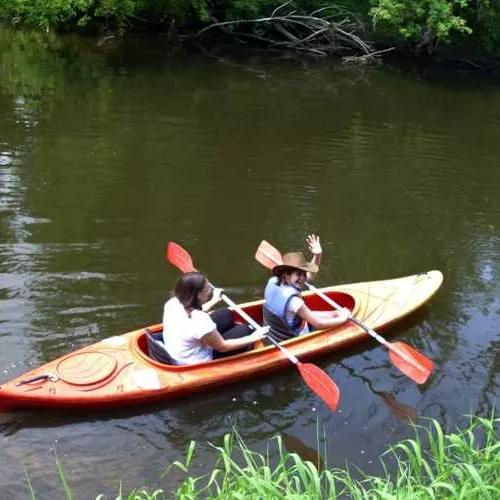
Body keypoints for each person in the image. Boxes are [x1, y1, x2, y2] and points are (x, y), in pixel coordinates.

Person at [161, 271, 266, 365]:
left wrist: (214, 300)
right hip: (194, 360)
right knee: (245, 329)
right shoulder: (200, 320)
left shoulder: (172, 302)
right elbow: (223, 347)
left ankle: (218, 336)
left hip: (180, 349)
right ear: (197, 294)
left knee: (225, 313)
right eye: (207, 289)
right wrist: (254, 337)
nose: (210, 291)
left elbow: (195, 311)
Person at [264, 234, 350, 342]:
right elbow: (319, 324)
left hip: (276, 333)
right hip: (292, 337)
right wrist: (343, 319)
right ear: (286, 276)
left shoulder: (274, 282)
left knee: (334, 313)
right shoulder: (294, 302)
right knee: (332, 319)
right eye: (298, 274)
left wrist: (318, 255)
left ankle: (336, 313)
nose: (303, 278)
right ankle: (339, 316)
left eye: (303, 274)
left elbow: (310, 276)